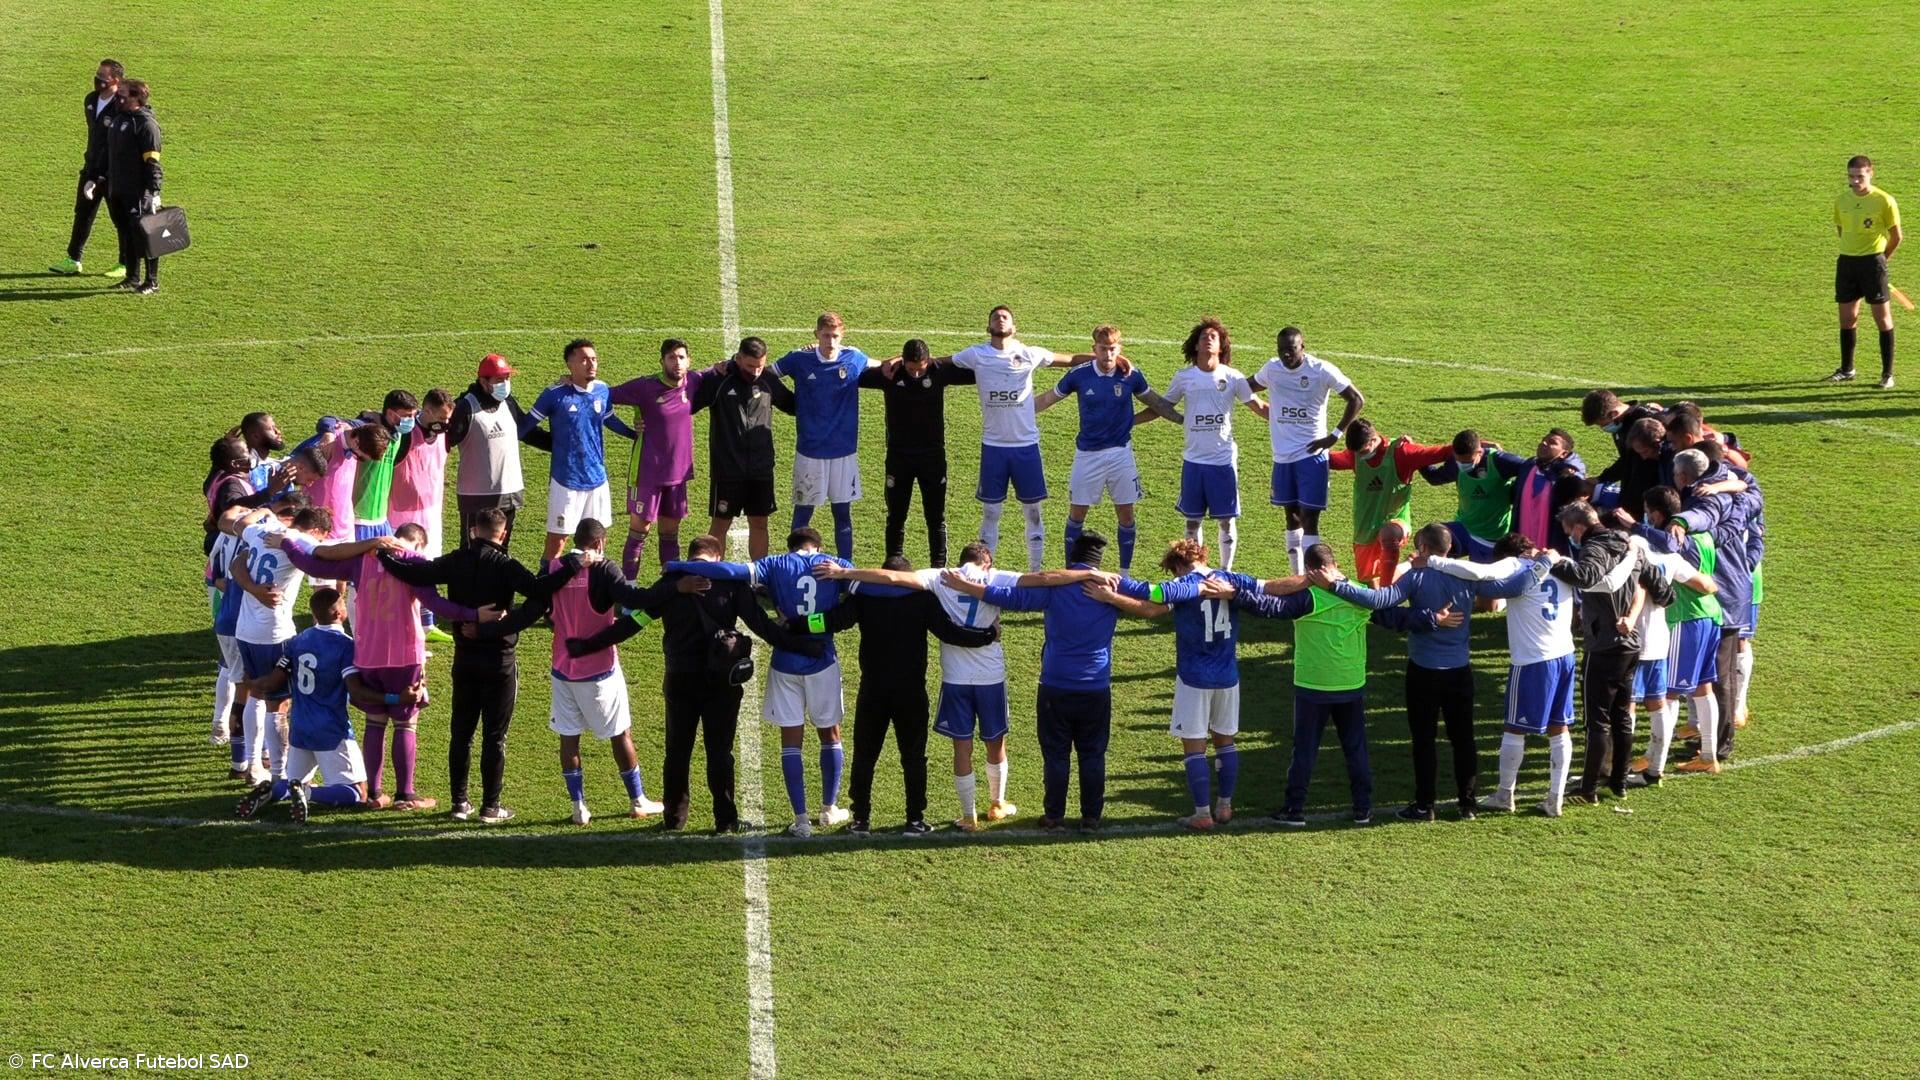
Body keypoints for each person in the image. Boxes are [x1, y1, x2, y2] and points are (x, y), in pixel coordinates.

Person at [812, 547, 1098, 831]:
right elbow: (1044, 578)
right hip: (971, 679)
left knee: (897, 752)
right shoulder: (985, 580)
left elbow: (869, 593)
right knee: (974, 746)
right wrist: (1084, 576)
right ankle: (959, 810)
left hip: (921, 683)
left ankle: (884, 818)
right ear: (986, 561)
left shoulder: (936, 579)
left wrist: (838, 581)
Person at [562, 534, 820, 833]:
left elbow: (634, 623)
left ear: (691, 554)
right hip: (721, 682)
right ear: (718, 557)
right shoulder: (732, 583)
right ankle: (725, 819)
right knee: (720, 751)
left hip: (680, 678)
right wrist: (804, 647)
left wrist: (586, 646)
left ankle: (674, 818)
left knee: (677, 750)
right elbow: (762, 626)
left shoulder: (673, 583)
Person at [1325, 523, 1550, 821]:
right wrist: (1545, 562)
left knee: (1423, 740)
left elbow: (1380, 601)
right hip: (1459, 672)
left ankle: (1424, 805)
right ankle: (1467, 804)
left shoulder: (1418, 577)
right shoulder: (1467, 575)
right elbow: (1515, 587)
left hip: (1424, 672)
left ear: (1427, 550)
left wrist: (1337, 585)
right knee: (1463, 739)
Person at [376, 508, 581, 822]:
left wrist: (383, 555)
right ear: (503, 533)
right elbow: (539, 593)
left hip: (465, 659)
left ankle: (459, 803)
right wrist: (571, 566)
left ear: (473, 530)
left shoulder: (456, 560)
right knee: (494, 736)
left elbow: (416, 574)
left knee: (461, 733)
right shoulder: (506, 566)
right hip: (500, 661)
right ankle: (490, 806)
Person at [274, 523, 488, 810]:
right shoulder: (416, 562)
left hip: (368, 653)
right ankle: (405, 796)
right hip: (404, 654)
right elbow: (435, 604)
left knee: (375, 722)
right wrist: (473, 614)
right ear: (419, 543)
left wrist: (286, 542)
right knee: (405, 722)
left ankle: (374, 794)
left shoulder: (363, 558)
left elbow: (312, 565)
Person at [469, 519, 662, 825]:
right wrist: (670, 590)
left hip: (562, 671)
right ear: (600, 543)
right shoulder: (605, 569)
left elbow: (527, 614)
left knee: (569, 739)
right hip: (599, 671)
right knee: (620, 733)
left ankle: (579, 807)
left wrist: (484, 630)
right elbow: (634, 600)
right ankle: (638, 800)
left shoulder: (556, 569)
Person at [668, 527, 854, 836]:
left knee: (790, 740)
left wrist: (677, 567)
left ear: (791, 545)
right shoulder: (835, 564)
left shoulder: (776, 564)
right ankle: (829, 808)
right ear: (817, 546)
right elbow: (868, 591)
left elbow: (729, 570)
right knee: (830, 733)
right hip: (822, 660)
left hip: (785, 663)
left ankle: (801, 820)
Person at [789, 556, 996, 834]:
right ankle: (914, 820)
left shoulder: (865, 598)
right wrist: (986, 635)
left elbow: (831, 621)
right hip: (910, 692)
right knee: (913, 757)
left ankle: (861, 819)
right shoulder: (921, 599)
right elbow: (949, 633)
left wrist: (795, 624)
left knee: (865, 756)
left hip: (873, 690)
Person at [1239, 545, 1442, 826]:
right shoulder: (1359, 594)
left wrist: (1233, 593)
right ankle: (1363, 809)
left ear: (1310, 571)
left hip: (1313, 686)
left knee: (1305, 751)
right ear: (1334, 564)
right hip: (1350, 685)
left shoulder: (1308, 596)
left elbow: (1269, 607)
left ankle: (1294, 809)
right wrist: (1432, 618)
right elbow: (1395, 618)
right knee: (1355, 749)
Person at [942, 531, 1125, 831]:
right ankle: (1091, 817)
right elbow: (1154, 603)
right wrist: (1115, 597)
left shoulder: (1056, 589)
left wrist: (969, 587)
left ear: (1071, 560)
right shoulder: (1113, 588)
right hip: (1095, 686)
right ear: (1098, 562)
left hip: (1056, 685)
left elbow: (1009, 598)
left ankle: (1054, 816)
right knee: (1093, 753)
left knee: (1056, 754)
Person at [904, 306, 1101, 571]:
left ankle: (1035, 573)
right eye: (995, 317)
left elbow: (1068, 359)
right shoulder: (976, 354)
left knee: (1033, 513)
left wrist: (1103, 356)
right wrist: (900, 361)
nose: (1000, 319)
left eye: (1005, 316)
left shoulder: (1030, 353)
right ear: (988, 327)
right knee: (991, 513)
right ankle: (986, 573)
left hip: (1026, 446)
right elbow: (937, 362)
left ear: (1014, 326)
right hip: (994, 447)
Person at [1101, 539, 1259, 829]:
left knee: (1195, 747)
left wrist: (1111, 593)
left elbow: (1150, 604)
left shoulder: (1185, 586)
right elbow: (1270, 587)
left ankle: (1202, 814)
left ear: (1177, 564)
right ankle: (1225, 806)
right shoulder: (1228, 579)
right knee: (1226, 741)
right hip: (1228, 677)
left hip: (1194, 677)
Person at [1424, 532, 1578, 816]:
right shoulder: (1562, 562)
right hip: (1566, 655)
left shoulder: (1516, 565)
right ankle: (1554, 798)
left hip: (1533, 660)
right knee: (1559, 728)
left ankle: (1505, 794)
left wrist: (1435, 561)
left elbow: (1479, 572)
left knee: (1514, 727)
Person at [234, 589, 410, 821]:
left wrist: (250, 682)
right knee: (358, 793)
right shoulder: (346, 645)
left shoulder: (297, 641)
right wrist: (395, 699)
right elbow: (356, 691)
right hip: (330, 730)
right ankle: (306, 793)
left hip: (300, 729)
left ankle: (273, 791)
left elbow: (272, 682)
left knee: (291, 782)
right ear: (339, 613)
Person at [1549, 501, 1674, 806]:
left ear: (1579, 527)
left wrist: (1557, 562)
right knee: (1621, 717)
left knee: (1598, 720)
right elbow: (1665, 594)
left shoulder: (1595, 548)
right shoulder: (1629, 545)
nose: (1571, 538)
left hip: (1603, 646)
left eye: (1570, 532)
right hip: (1631, 646)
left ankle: (1589, 788)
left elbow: (1586, 576)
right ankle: (1618, 783)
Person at [1033, 324, 1179, 572]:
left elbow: (1156, 403)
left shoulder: (1131, 375)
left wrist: (1185, 420)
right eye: (1103, 349)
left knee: (1126, 515)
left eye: (1113, 349)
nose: (1108, 355)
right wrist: (1017, 412)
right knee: (1077, 514)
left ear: (1119, 348)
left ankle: (1124, 574)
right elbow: (1048, 399)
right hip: (1087, 456)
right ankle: (1070, 573)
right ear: (1094, 349)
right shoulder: (1079, 375)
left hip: (1121, 455)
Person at [218, 501, 334, 785]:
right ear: (317, 530)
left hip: (244, 630)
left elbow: (236, 560)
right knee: (279, 704)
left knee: (255, 694)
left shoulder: (265, 530)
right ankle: (281, 775)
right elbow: (329, 559)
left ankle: (253, 766)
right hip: (274, 632)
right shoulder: (302, 541)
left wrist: (254, 590)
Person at [1140, 317, 1268, 572]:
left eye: (1214, 337)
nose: (1208, 339)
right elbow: (1162, 407)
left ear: (1221, 347)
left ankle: (1225, 571)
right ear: (1196, 346)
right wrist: (1128, 422)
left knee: (1225, 521)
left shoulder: (1233, 377)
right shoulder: (1184, 377)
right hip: (1194, 461)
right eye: (1203, 337)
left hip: (1222, 461)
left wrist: (1289, 420)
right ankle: (1196, 572)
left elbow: (1259, 407)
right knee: (1191, 523)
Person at [1618, 495, 1723, 785]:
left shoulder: (1648, 551)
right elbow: (1709, 584)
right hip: (1710, 616)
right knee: (1701, 688)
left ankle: (1651, 761)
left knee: (1664, 696)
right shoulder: (1703, 536)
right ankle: (1707, 755)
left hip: (1683, 621)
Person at [1249, 327, 1365, 574]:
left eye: (1291, 350)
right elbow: (1245, 386)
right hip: (1282, 457)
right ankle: (1297, 576)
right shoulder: (1272, 369)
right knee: (1291, 518)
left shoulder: (1320, 370)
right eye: (1281, 350)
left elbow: (1356, 399)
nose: (1286, 356)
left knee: (1309, 519)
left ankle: (1312, 577)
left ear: (1302, 347)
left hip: (1311, 457)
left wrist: (1334, 435)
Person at [612, 338, 722, 575]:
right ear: (662, 361)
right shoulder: (644, 386)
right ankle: (628, 589)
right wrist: (572, 382)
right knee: (638, 534)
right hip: (647, 473)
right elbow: (602, 395)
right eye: (671, 358)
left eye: (681, 357)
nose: (677, 362)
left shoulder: (692, 380)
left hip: (678, 474)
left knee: (670, 535)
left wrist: (724, 365)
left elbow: (716, 369)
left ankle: (670, 584)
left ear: (688, 361)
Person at [522, 339, 638, 565]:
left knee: (596, 540)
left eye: (593, 359)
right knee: (557, 542)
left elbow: (608, 419)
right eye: (584, 359)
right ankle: (545, 592)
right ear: (570, 364)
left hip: (597, 478)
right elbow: (525, 426)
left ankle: (592, 594)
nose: (591, 364)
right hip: (566, 480)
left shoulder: (602, 390)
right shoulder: (554, 395)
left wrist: (635, 434)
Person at [859, 338, 972, 568]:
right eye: (911, 369)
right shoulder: (890, 374)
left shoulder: (939, 371)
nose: (917, 374)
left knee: (936, 518)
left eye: (921, 369)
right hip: (899, 457)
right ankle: (893, 564)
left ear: (928, 361)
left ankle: (938, 570)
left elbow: (980, 370)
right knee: (896, 516)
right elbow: (850, 370)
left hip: (933, 457)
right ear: (903, 363)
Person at [772, 313, 877, 560]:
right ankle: (793, 566)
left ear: (843, 336)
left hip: (844, 452)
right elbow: (765, 374)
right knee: (803, 512)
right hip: (810, 452)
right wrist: (790, 403)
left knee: (842, 514)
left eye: (835, 336)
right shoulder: (799, 359)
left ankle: (846, 568)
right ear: (816, 334)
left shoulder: (854, 357)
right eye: (826, 335)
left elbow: (885, 366)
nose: (830, 341)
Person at [696, 337, 796, 561]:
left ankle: (758, 576)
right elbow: (687, 404)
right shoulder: (720, 379)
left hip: (761, 468)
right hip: (727, 469)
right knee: (720, 523)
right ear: (739, 358)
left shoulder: (768, 380)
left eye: (760, 366)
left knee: (760, 523)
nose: (755, 372)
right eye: (750, 366)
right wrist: (705, 372)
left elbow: (793, 405)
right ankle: (715, 575)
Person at [443, 353, 552, 554]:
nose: (505, 384)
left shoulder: (508, 402)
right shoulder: (466, 407)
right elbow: (444, 442)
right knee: (470, 554)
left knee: (500, 554)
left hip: (510, 493)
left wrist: (559, 445)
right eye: (500, 380)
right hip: (476, 496)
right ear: (483, 381)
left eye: (507, 378)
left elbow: (527, 432)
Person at [1326, 419, 1452, 585]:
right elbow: (1330, 460)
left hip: (1397, 522)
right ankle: (1408, 565)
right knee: (1369, 580)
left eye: (1363, 451)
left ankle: (1387, 592)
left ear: (1373, 440)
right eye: (1356, 453)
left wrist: (1481, 446)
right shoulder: (1355, 454)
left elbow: (1440, 452)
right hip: (1365, 525)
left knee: (1389, 535)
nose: (1360, 456)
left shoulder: (1401, 452)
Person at [1829, 155, 1901, 388]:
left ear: (1871, 173)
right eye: (1851, 177)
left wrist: (1881, 261)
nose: (1855, 181)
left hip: (1873, 263)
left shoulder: (1884, 201)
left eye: (1860, 176)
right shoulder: (1842, 201)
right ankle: (1847, 369)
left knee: (1882, 319)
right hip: (1847, 263)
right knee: (1848, 318)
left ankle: (1887, 374)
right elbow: (1843, 230)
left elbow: (1896, 236)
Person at [51, 59, 123, 279]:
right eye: (97, 74)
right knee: (82, 214)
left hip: (114, 173)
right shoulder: (91, 100)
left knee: (120, 218)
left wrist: (105, 172)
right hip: (90, 168)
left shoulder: (122, 104)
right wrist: (92, 167)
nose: (98, 79)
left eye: (104, 75)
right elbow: (95, 137)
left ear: (116, 80)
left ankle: (125, 263)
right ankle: (73, 259)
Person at [1418, 429, 1530, 563]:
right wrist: (1417, 455)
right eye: (1460, 461)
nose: (1464, 465)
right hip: (1463, 527)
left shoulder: (1498, 461)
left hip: (1490, 537)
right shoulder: (1456, 464)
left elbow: (1529, 468)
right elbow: (1435, 478)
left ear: (1480, 452)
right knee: (1427, 538)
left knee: (1482, 580)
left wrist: (1514, 493)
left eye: (1468, 461)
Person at [103, 78, 163, 294]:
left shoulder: (146, 125)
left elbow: (152, 162)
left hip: (138, 191)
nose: (117, 98)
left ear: (136, 98)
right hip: (117, 188)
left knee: (145, 235)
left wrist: (154, 192)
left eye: (122, 95)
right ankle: (132, 277)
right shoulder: (120, 120)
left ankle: (152, 281)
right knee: (126, 233)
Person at [1580, 390, 1664, 520]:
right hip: (1631, 496)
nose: (1603, 428)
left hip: (1651, 500)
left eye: (1601, 423)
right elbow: (1626, 460)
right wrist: (1602, 478)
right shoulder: (1620, 424)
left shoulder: (1647, 421)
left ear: (1613, 413)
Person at [1511, 428, 1587, 555]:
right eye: (1543, 440)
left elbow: (1578, 483)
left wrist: (1568, 466)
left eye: (1552, 442)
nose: (1544, 443)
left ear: (1564, 454)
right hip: (1523, 545)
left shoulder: (1566, 476)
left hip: (1552, 549)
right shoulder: (1529, 466)